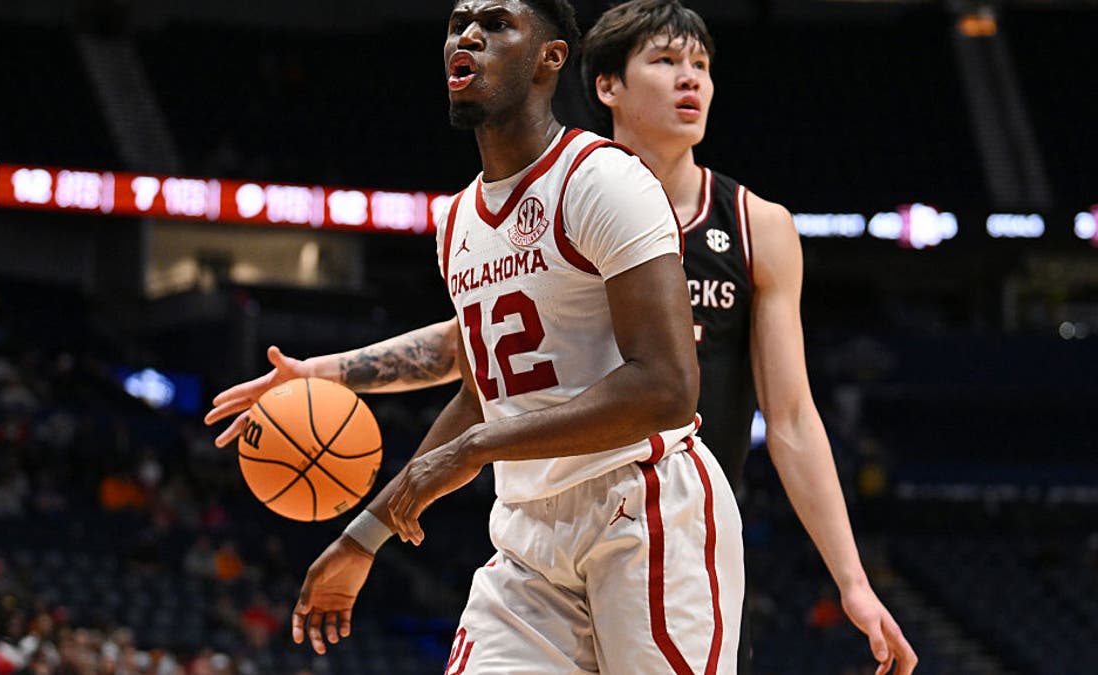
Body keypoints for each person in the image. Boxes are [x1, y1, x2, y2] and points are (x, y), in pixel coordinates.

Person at [206, 1, 917, 673]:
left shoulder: (641, 193)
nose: (468, 36)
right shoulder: (460, 221)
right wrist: (361, 509)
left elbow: (702, 396)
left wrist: (850, 578)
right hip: (527, 525)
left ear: (550, 57)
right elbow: (487, 371)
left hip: (646, 508)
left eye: (494, 22)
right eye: (457, 23)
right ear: (605, 84)